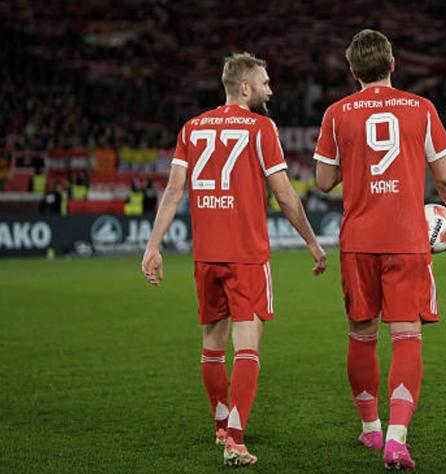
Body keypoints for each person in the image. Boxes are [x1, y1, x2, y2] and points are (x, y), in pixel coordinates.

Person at [141, 52, 327, 467]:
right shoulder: (261, 127)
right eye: (264, 83)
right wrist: (312, 242)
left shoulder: (191, 127)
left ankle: (221, 425)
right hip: (246, 255)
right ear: (244, 88)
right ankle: (235, 442)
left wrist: (153, 246)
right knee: (247, 345)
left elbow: (173, 192)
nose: (270, 90)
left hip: (206, 255)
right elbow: (285, 196)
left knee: (212, 344)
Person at [314, 30, 446, 470]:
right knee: (406, 337)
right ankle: (397, 439)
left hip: (359, 241)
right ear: (393, 64)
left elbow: (323, 182)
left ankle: (370, 429)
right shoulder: (421, 108)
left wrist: (355, 162)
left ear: (353, 70)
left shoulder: (336, 113)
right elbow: (445, 178)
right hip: (406, 239)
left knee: (362, 336)